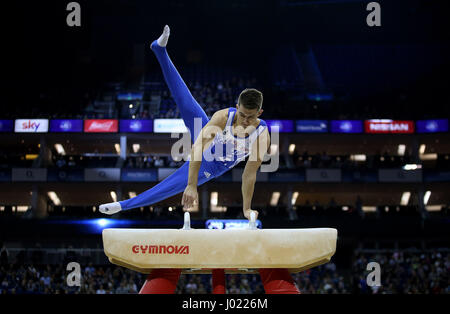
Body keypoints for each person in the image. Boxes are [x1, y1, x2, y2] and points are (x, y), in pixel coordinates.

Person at [99, 25, 299, 295]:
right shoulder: (222, 117)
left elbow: (249, 174)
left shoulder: (263, 134)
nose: (245, 121)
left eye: (251, 117)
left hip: (215, 166)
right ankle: (160, 50)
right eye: (242, 114)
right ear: (236, 107)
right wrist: (192, 185)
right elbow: (195, 150)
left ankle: (124, 204)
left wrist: (246, 209)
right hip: (204, 156)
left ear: (260, 112)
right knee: (185, 100)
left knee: (169, 183)